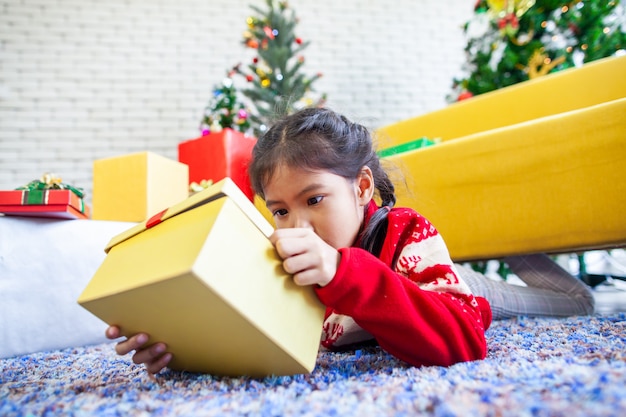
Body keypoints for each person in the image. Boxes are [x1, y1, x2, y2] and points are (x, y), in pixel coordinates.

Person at [105, 107, 594, 374]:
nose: (296, 226)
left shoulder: (404, 229)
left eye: (315, 200)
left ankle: (532, 260)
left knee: (573, 304)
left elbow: (462, 340)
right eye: (279, 210)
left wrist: (343, 273)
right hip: (401, 294)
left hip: (451, 289)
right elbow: (262, 340)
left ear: (361, 188)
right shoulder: (281, 259)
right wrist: (182, 347)